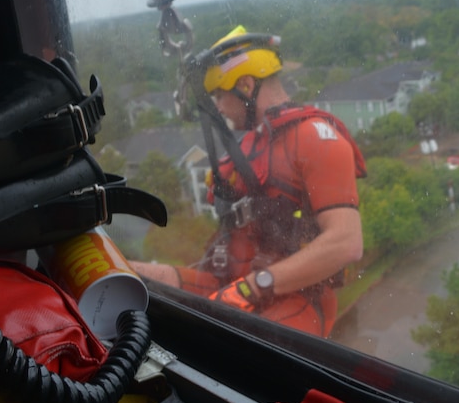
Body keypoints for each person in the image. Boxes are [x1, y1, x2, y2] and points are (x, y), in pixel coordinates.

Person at [132, 25, 366, 337]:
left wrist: (252, 289)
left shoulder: (316, 138)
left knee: (219, 349)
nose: (216, 106)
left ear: (245, 84)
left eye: (219, 95)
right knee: (126, 276)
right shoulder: (245, 148)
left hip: (293, 298)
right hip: (228, 285)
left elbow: (346, 243)